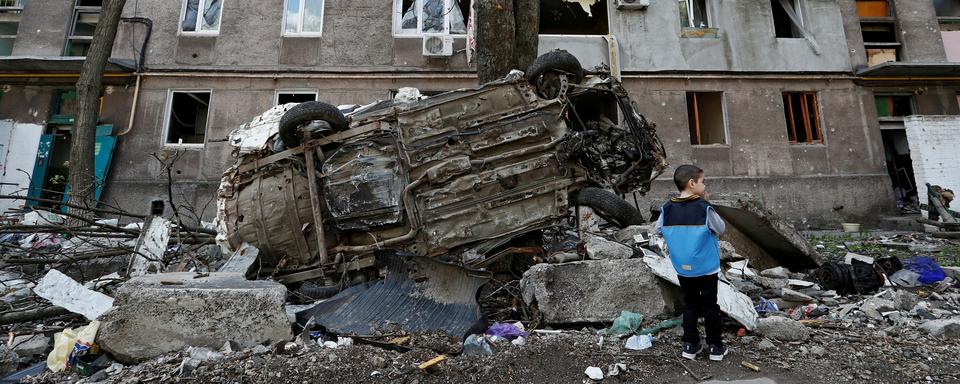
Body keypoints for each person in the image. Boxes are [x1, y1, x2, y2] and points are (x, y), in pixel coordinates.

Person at [656, 164, 727, 361]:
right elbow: (721, 229)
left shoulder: (667, 208)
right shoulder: (704, 208)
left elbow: (658, 229)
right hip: (706, 267)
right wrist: (707, 205)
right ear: (692, 183)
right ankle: (715, 347)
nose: (704, 185)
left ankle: (690, 345)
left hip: (682, 268)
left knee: (689, 305)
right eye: (703, 182)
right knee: (710, 306)